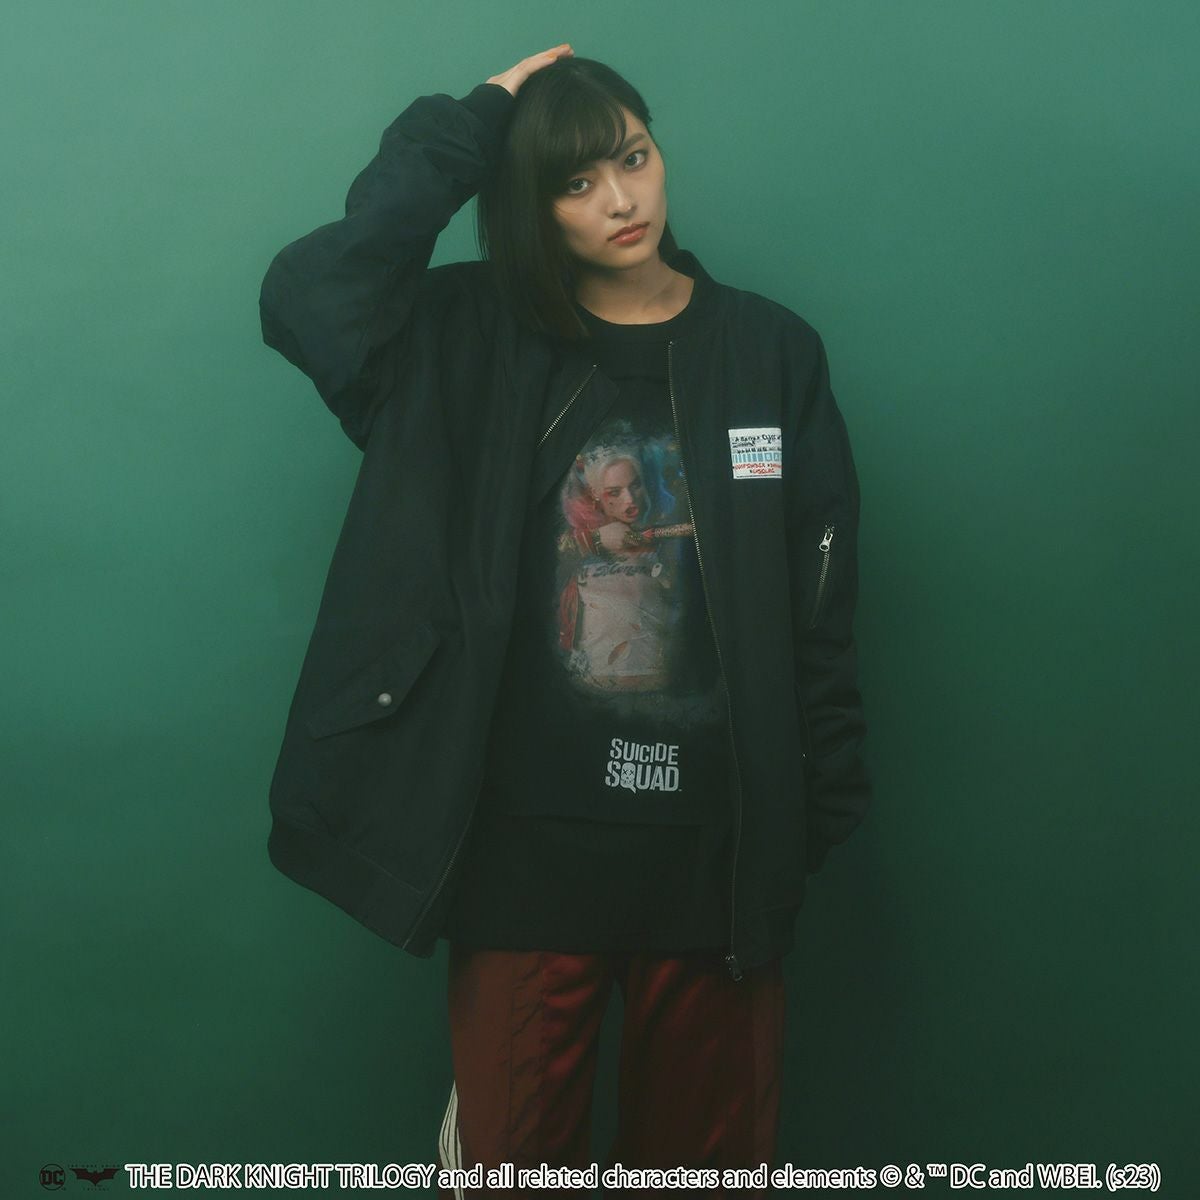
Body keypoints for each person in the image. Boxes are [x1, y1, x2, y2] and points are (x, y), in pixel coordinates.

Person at [259, 42, 872, 1197]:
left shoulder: (767, 352)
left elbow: (819, 598)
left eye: (632, 159)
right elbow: (312, 294)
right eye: (575, 183)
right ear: (529, 206)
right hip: (522, 855)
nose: (621, 200)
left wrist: (811, 806)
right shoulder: (465, 339)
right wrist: (470, 125)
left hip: (715, 857)